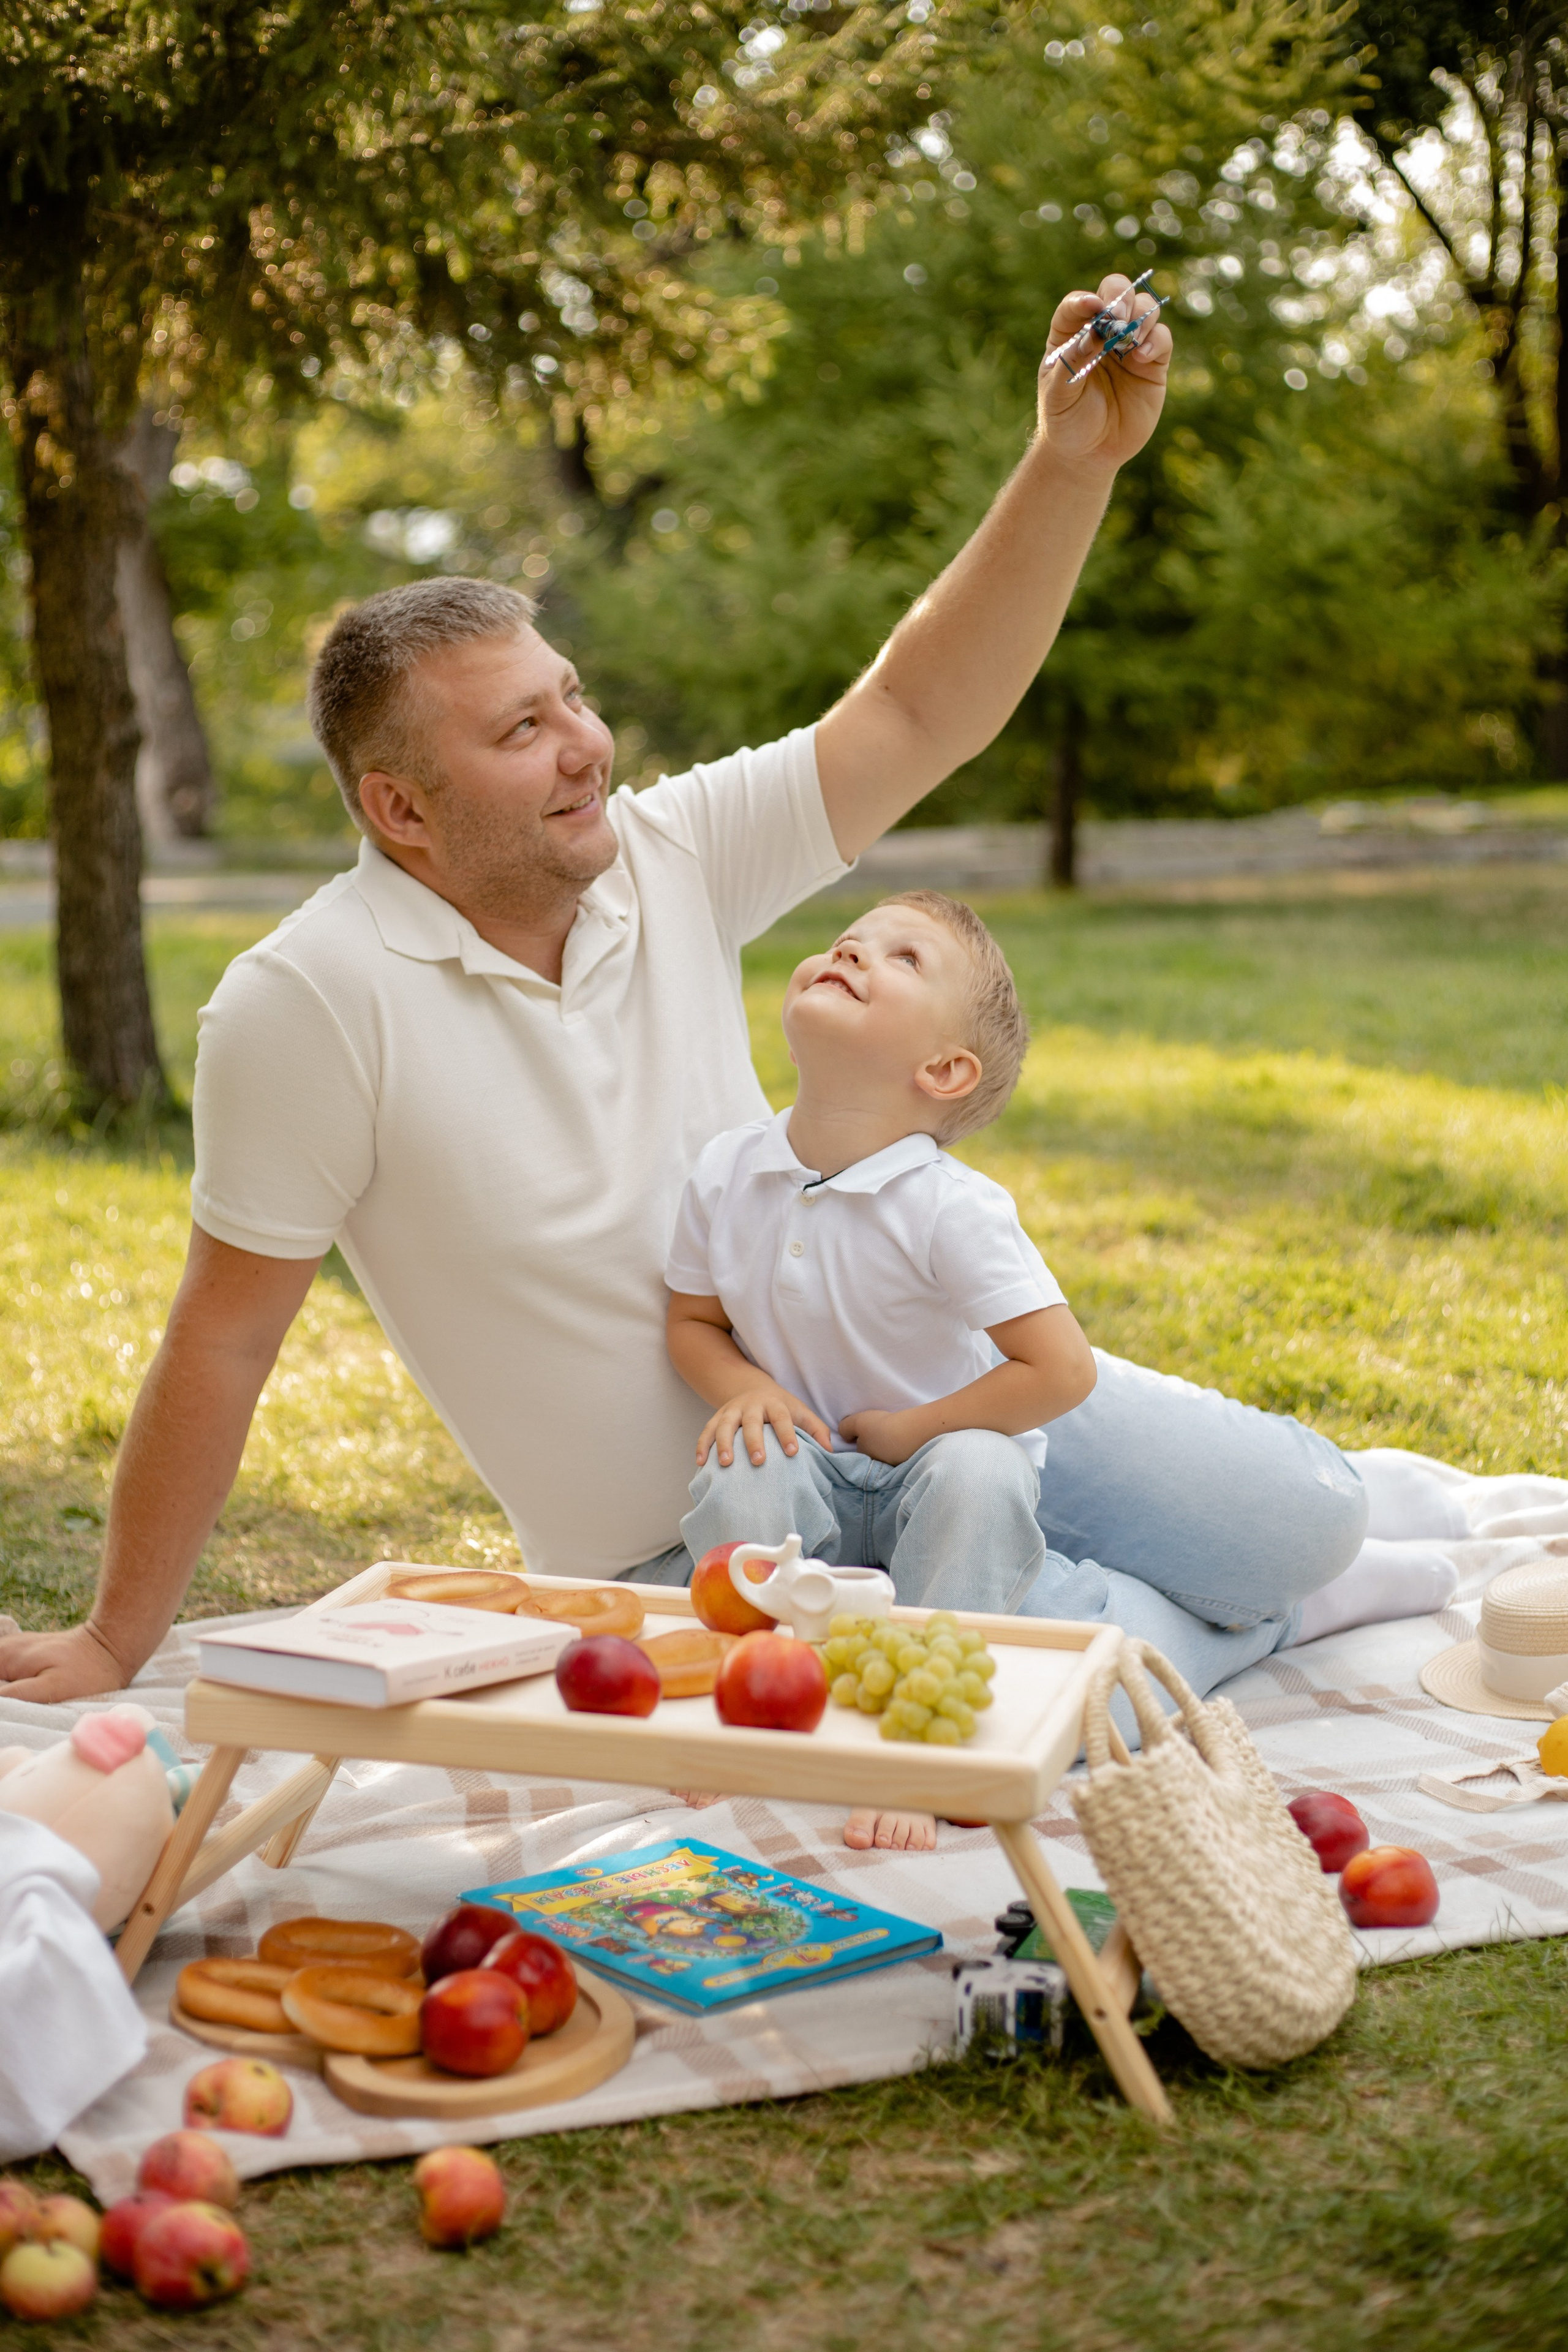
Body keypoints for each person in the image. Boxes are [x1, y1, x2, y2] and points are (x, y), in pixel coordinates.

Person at [0, 270, 1439, 1717]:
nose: (587, 745)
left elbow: (917, 709)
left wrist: (1070, 464)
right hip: (689, 1540)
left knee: (1303, 1525)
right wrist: (119, 1639)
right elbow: (225, 1334)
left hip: (917, 1413)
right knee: (1064, 1698)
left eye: (571, 695)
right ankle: (1168, 1636)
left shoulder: (658, 854)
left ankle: (1170, 1597)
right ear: (402, 810)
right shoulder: (302, 1003)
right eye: (523, 729)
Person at [666, 892, 1456, 1849]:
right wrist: (743, 1387)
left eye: (903, 958)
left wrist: (921, 1428)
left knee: (980, 1476)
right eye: (850, 940)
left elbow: (1060, 1367)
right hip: (819, 1471)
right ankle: (734, 1715)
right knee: (746, 1469)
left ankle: (931, 1750)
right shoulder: (726, 1172)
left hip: (936, 1468)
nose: (853, 950)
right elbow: (695, 1322)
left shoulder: (951, 1207)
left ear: (945, 1070)